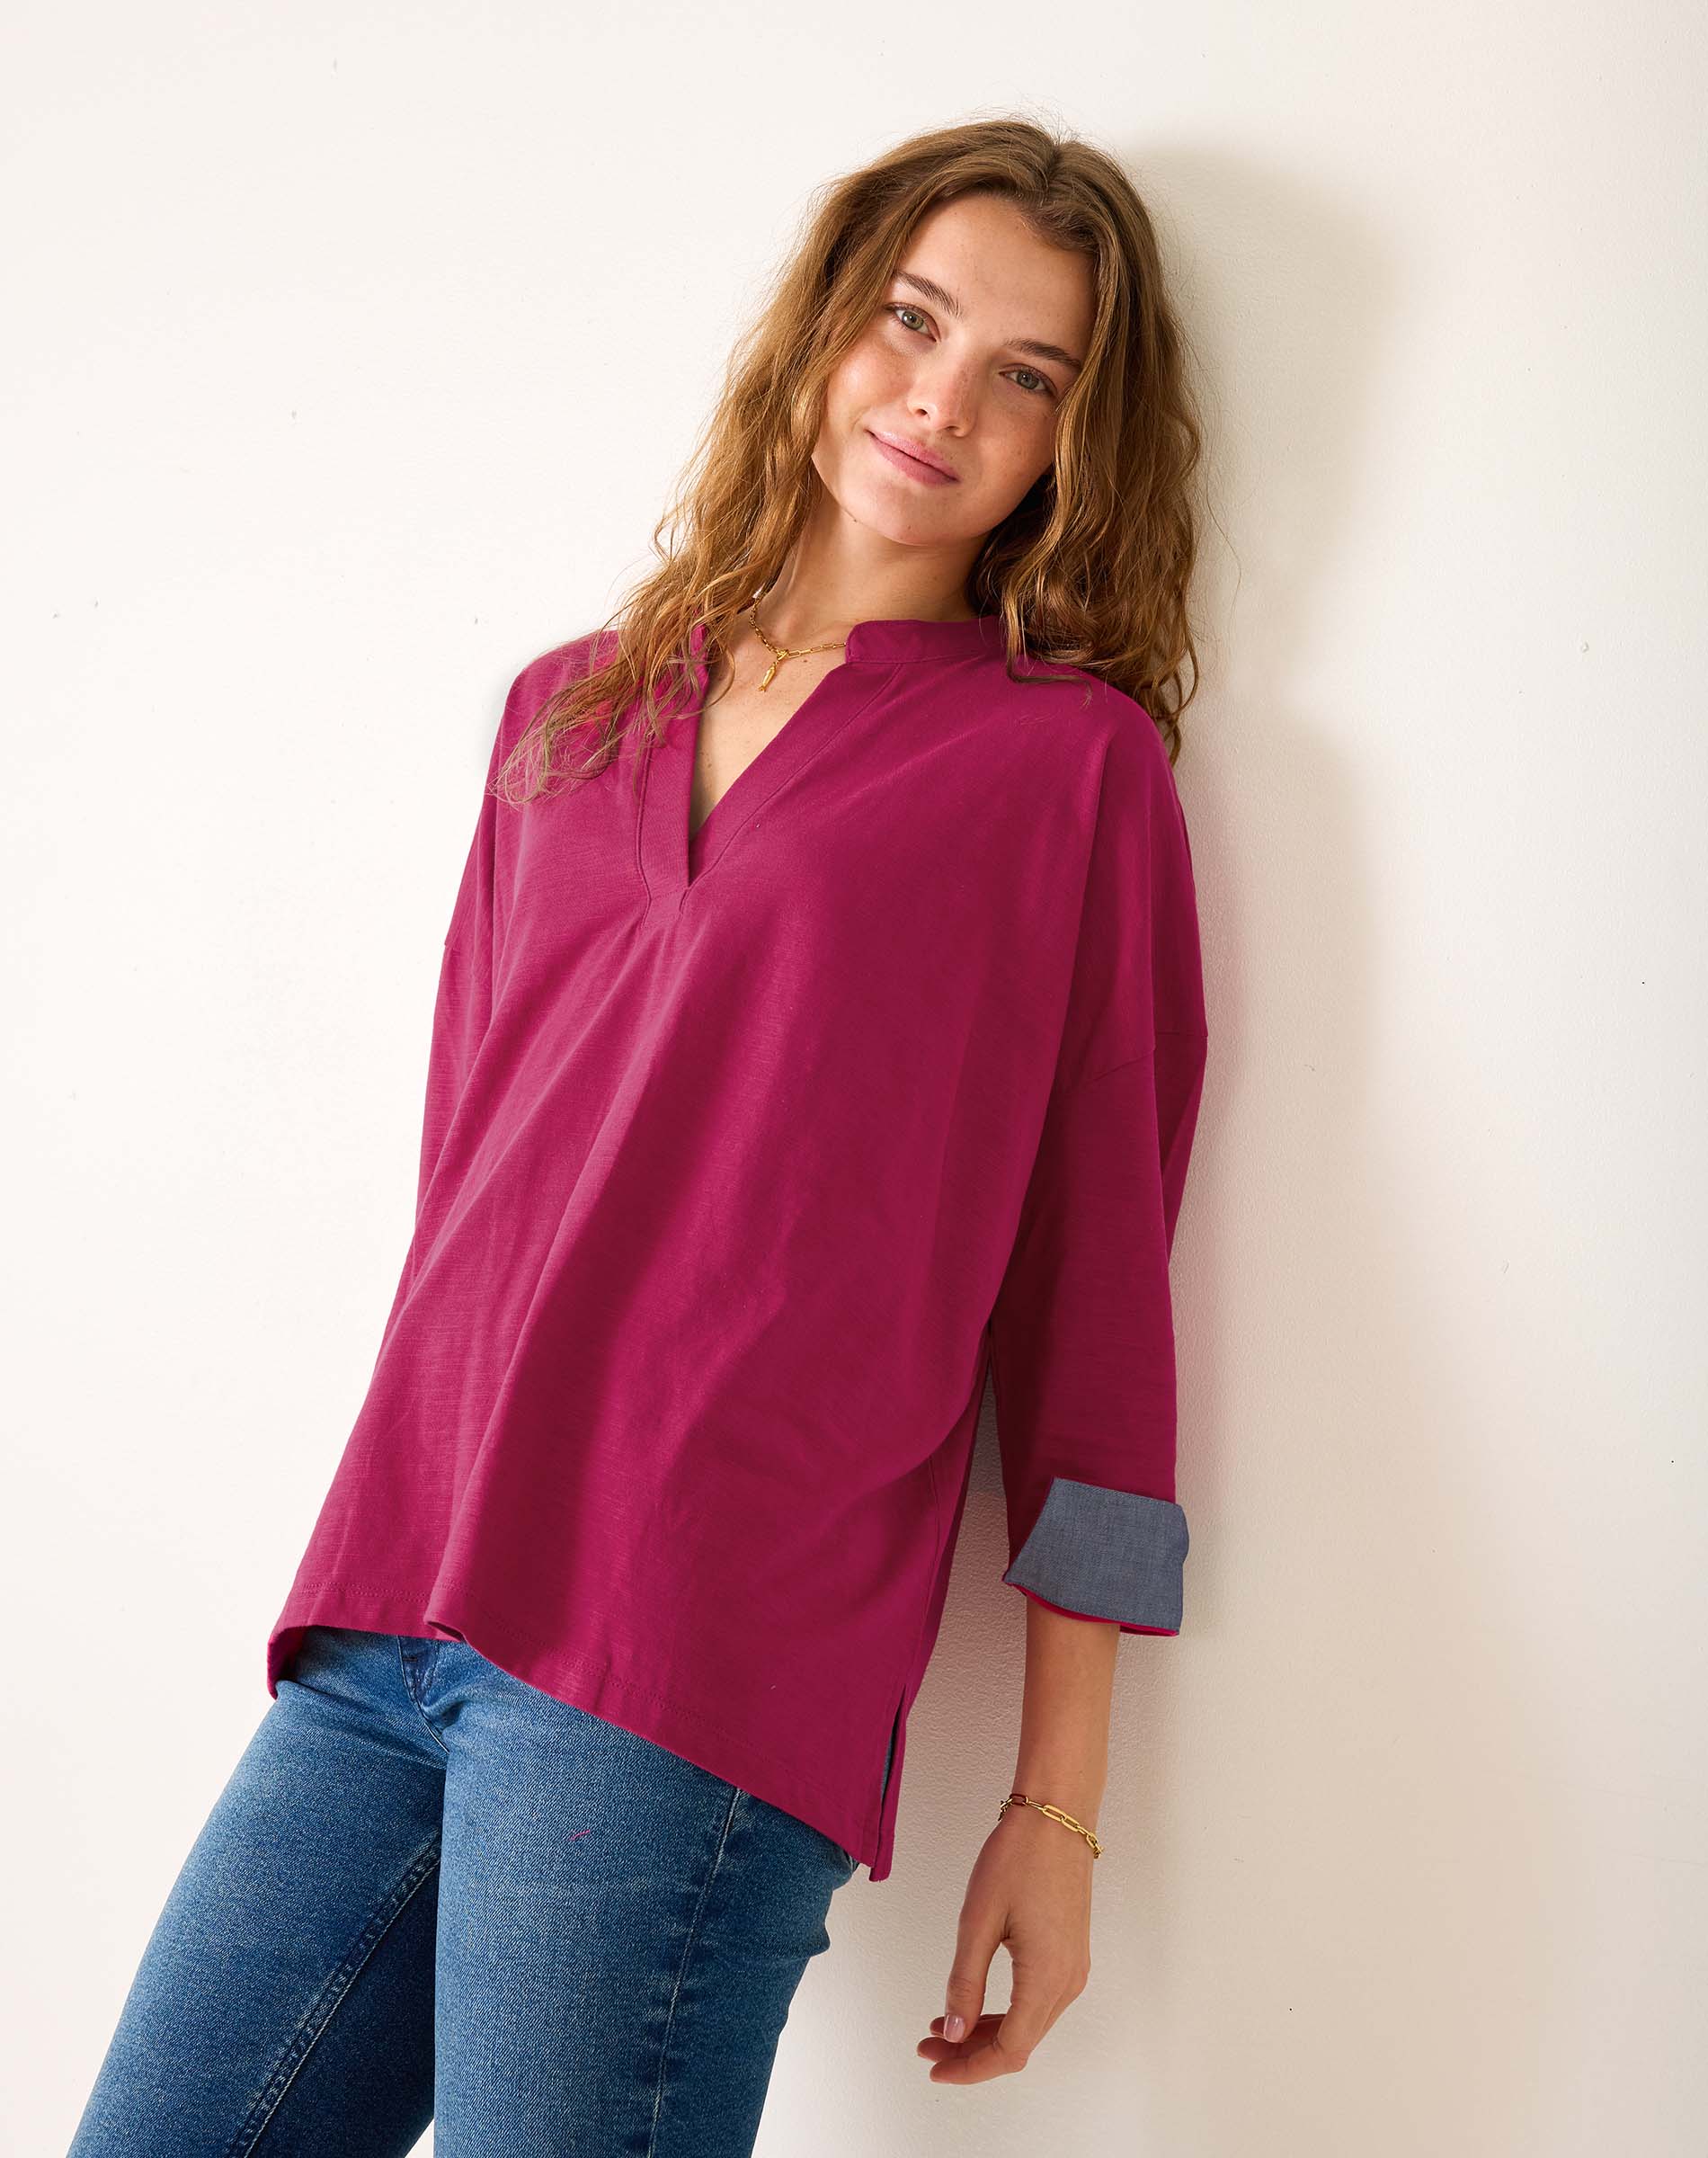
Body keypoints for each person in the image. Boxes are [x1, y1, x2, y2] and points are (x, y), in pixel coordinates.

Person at [67, 114, 1210, 2155]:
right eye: (911, 319)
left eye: (1025, 374)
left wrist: (1056, 1809)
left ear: (1072, 440)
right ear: (819, 334)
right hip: (392, 1610)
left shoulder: (1066, 774)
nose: (942, 397)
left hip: (693, 1660)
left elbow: (1095, 1319)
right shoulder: (563, 711)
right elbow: (464, 1195)